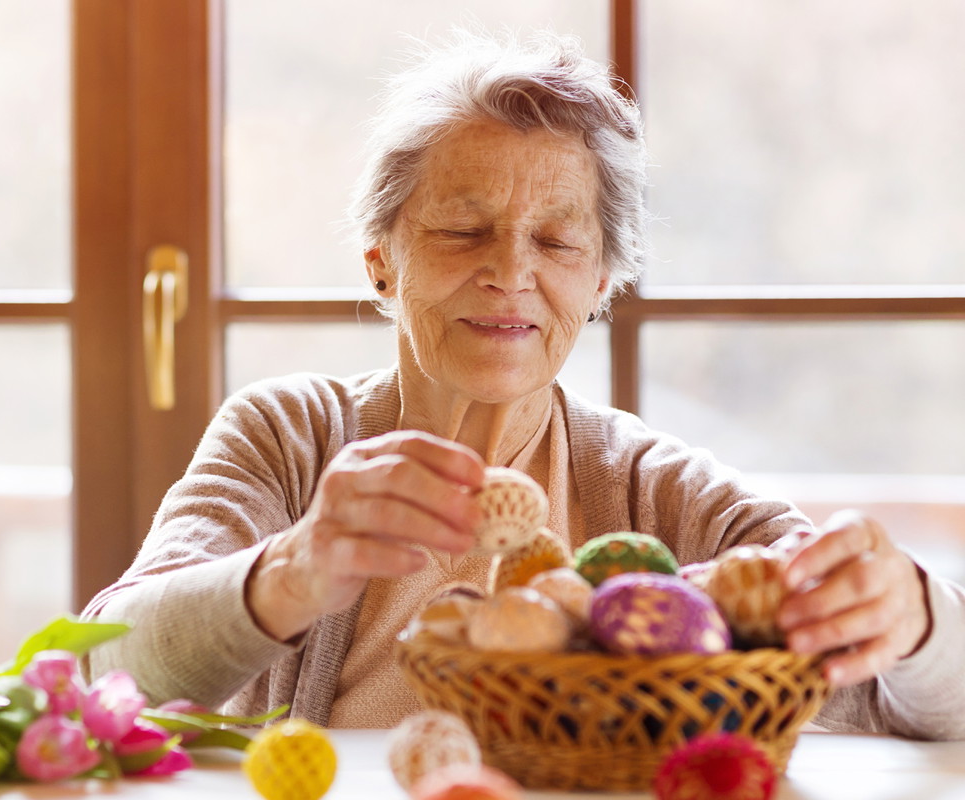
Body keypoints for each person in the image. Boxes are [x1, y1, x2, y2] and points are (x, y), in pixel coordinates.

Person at [83, 29, 964, 739]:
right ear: (381, 264)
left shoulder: (656, 489)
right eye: (464, 230)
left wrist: (914, 614)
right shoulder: (289, 434)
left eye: (556, 242)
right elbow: (108, 666)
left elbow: (904, 697)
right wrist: (291, 568)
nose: (510, 272)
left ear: (603, 285)